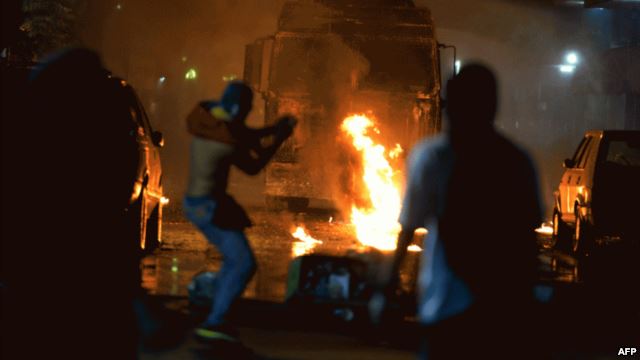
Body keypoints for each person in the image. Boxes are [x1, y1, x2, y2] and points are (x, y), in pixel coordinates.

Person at [374, 63, 543, 359]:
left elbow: (408, 229)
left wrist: (385, 289)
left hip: (445, 307)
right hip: (501, 312)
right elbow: (528, 239)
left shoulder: (433, 158)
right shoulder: (516, 161)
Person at [183, 81, 296, 342]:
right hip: (207, 207)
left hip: (202, 203)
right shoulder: (224, 141)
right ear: (237, 109)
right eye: (246, 109)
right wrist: (279, 138)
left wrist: (272, 128)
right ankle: (214, 320)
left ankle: (212, 305)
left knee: (235, 261)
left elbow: (242, 132)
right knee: (243, 263)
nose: (247, 114)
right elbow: (253, 165)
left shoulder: (211, 119)